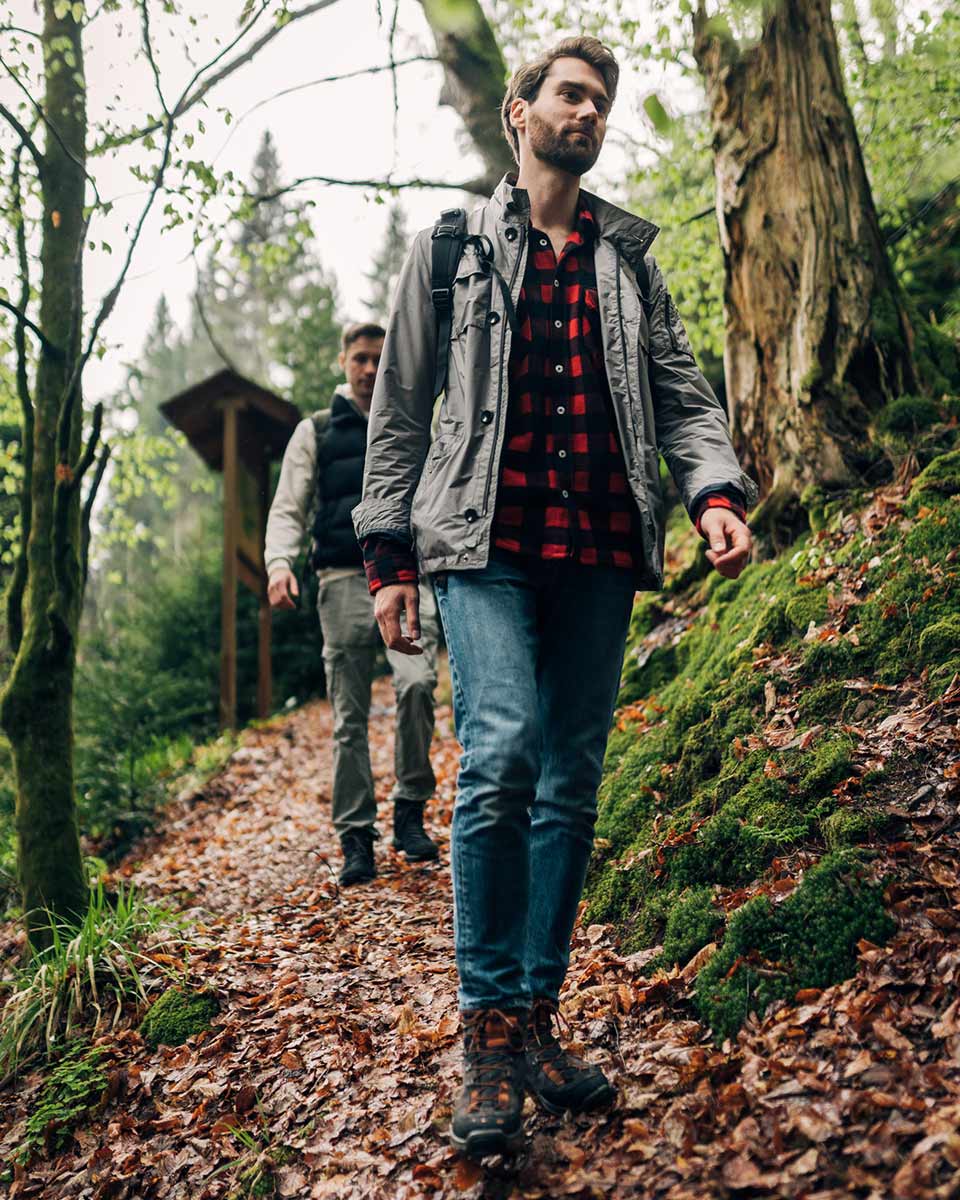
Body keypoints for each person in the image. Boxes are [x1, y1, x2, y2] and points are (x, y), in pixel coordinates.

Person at [353, 37, 758, 1157]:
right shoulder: (448, 249)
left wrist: (714, 489)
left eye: (603, 101)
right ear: (518, 114)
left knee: (572, 784)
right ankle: (484, 1040)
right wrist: (389, 557)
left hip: (597, 551)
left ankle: (534, 1018)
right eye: (570, 94)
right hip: (481, 547)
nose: (589, 112)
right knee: (505, 750)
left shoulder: (628, 263)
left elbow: (682, 396)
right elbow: (397, 414)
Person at [266, 322, 440, 887]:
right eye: (360, 358)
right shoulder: (315, 431)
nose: (369, 369)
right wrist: (279, 564)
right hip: (341, 579)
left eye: (378, 359)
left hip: (412, 579)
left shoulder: (413, 421)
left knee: (416, 684)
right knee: (349, 715)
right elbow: (289, 505)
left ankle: (410, 811)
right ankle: (356, 837)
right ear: (343, 361)